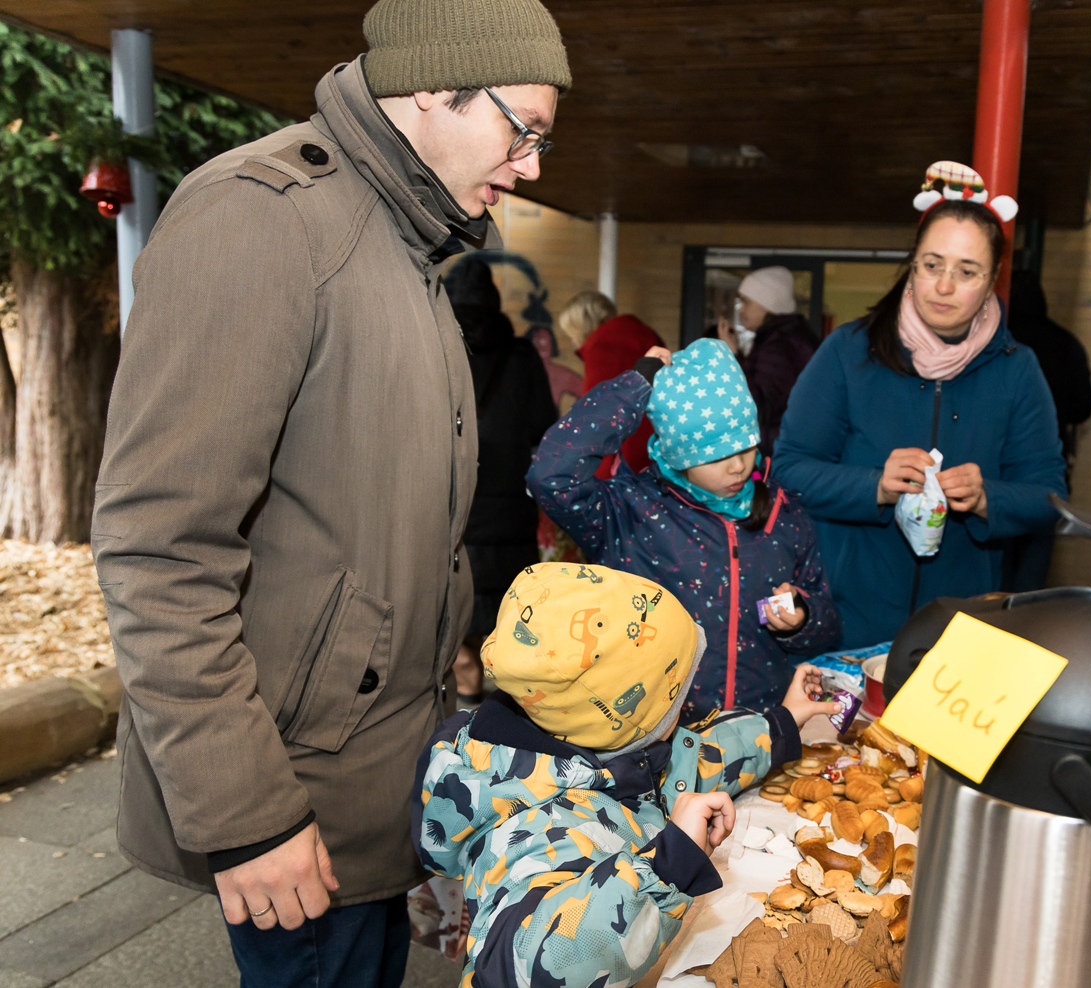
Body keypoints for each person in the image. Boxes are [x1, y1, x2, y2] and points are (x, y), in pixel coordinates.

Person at [90, 0, 570, 984]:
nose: (530, 167)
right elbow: (159, 547)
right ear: (431, 88)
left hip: (371, 784)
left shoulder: (403, 240)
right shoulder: (262, 218)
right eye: (521, 131)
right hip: (290, 795)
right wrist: (247, 813)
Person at [413, 562, 839, 987]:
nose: (684, 708)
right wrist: (666, 868)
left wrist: (779, 726)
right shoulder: (532, 828)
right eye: (676, 699)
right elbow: (524, 967)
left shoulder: (607, 750)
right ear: (627, 718)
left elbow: (690, 762)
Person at [772, 161, 1067, 648]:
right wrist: (875, 486)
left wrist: (988, 497)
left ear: (993, 278)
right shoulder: (848, 351)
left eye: (966, 272)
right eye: (932, 265)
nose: (944, 286)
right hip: (846, 620)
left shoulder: (1017, 369)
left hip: (961, 631)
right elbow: (788, 469)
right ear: (912, 266)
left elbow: (1049, 496)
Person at [527, 338, 842, 722]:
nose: (738, 467)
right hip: (658, 734)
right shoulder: (630, 512)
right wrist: (632, 389)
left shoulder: (784, 512)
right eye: (715, 455)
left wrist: (803, 617)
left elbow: (828, 623)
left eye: (745, 447)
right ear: (679, 454)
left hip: (760, 728)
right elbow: (551, 476)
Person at [446, 255, 558, 706]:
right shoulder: (521, 356)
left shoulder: (439, 347)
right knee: (511, 614)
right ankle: (508, 717)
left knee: (456, 609)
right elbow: (542, 424)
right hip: (509, 506)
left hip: (452, 503)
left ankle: (465, 696)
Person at [999, 268, 1091, 591]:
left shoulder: (997, 347)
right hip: (1045, 468)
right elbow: (1084, 407)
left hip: (996, 471)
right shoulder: (1066, 343)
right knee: (1034, 560)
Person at [556, 289, 665, 473]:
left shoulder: (601, 346)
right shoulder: (644, 334)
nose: (573, 340)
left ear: (580, 326)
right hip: (657, 443)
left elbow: (594, 414)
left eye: (571, 332)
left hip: (622, 456)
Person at [718, 266, 819, 456]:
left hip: (778, 451)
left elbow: (759, 406)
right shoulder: (785, 338)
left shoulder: (779, 345)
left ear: (768, 304)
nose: (742, 310)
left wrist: (732, 357)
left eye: (747, 302)